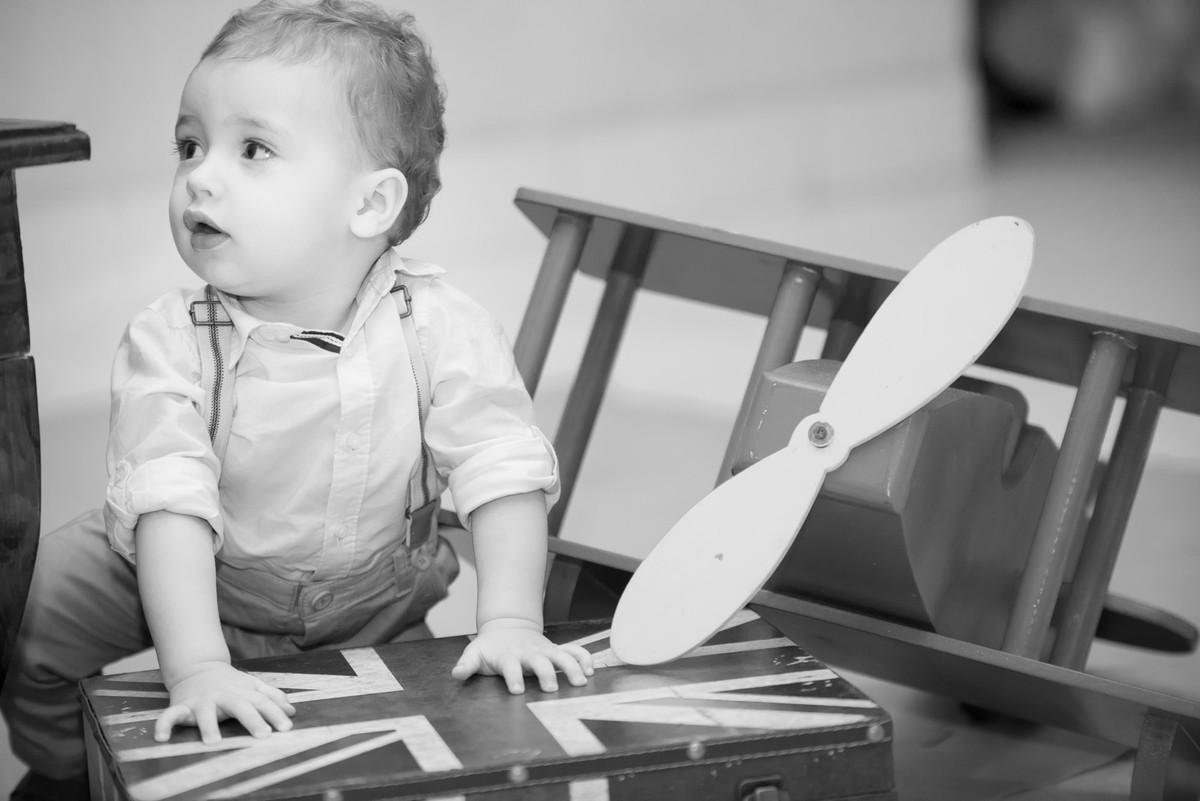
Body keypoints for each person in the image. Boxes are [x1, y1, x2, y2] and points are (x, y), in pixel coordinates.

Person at [0, 2, 592, 798]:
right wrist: (199, 666)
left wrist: (511, 617)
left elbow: (503, 466)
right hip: (189, 568)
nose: (200, 174)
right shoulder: (171, 337)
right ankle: (72, 769)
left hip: (369, 597)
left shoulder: (439, 324)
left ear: (370, 205)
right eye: (189, 145)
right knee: (32, 610)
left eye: (253, 149)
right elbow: (169, 502)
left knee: (420, 735)